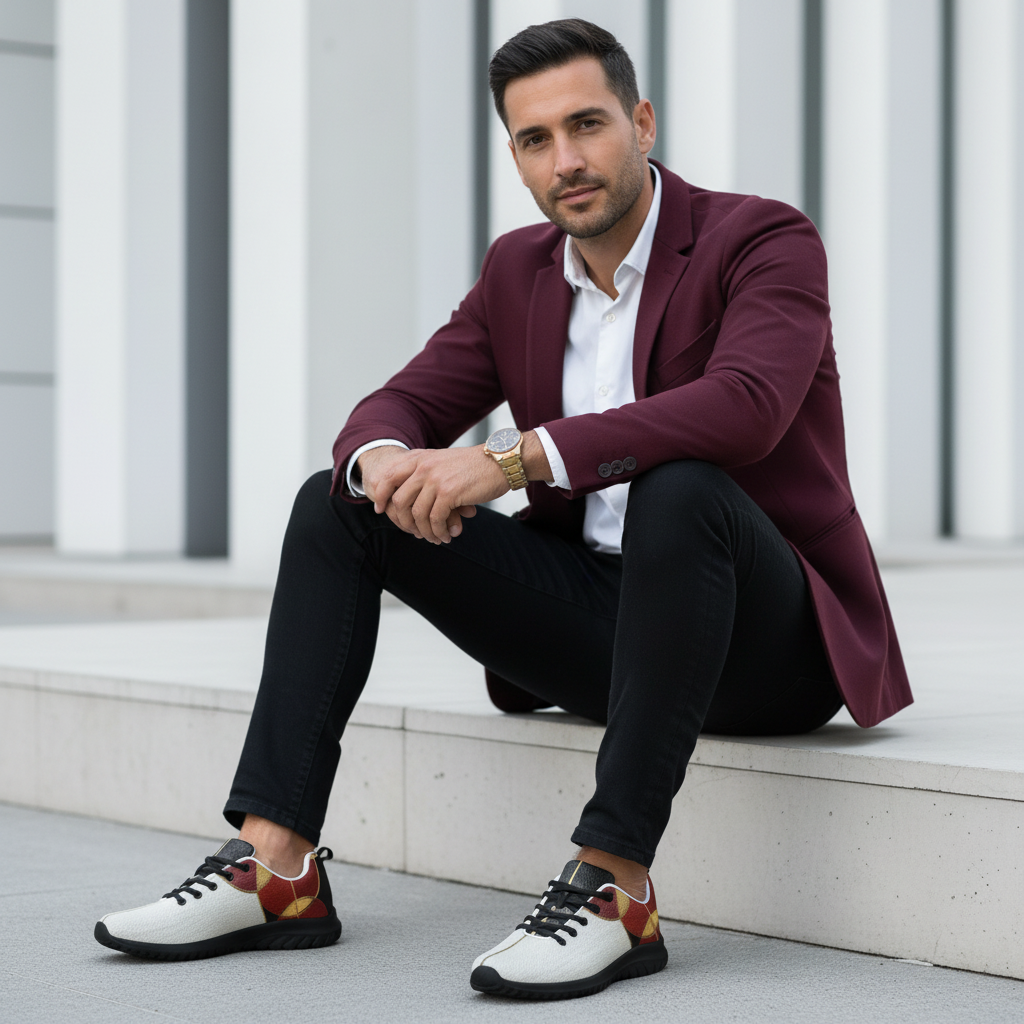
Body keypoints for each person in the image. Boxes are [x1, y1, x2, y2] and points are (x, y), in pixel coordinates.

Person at [94, 19, 911, 999]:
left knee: (681, 484)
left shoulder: (761, 239)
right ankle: (276, 869)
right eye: (535, 139)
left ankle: (613, 887)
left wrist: (513, 460)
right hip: (608, 629)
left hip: (768, 643)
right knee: (336, 503)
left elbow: (746, 406)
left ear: (643, 123)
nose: (566, 161)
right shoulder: (518, 272)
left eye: (587, 125)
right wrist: (387, 463)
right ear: (516, 156)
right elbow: (397, 405)